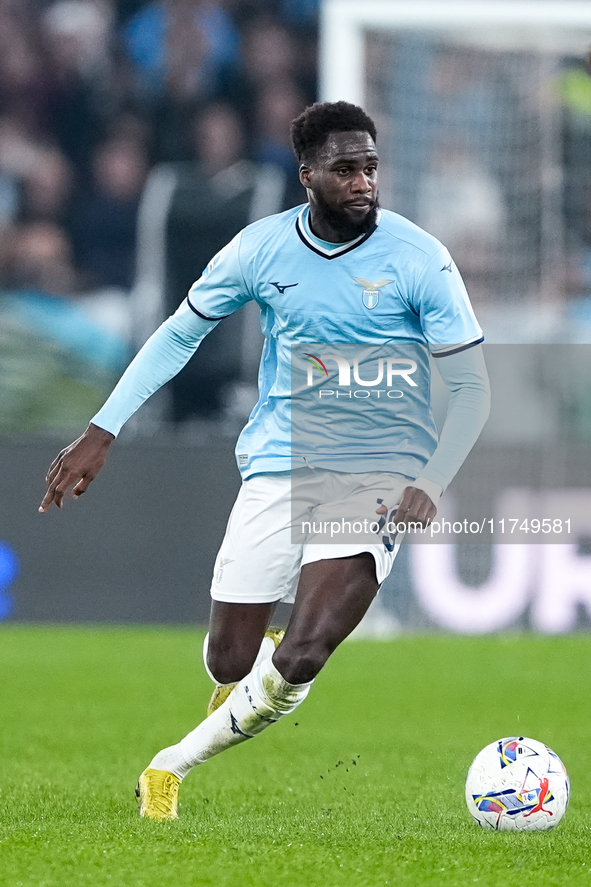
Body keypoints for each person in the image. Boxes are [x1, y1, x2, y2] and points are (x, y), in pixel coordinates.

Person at [39, 101, 491, 820]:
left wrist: (429, 478)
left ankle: (169, 766)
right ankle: (250, 673)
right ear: (306, 174)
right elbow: (178, 334)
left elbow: (470, 388)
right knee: (227, 659)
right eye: (345, 169)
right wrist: (104, 428)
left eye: (370, 167)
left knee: (303, 652)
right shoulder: (260, 249)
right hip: (278, 465)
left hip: (377, 470)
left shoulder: (418, 257)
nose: (363, 182)